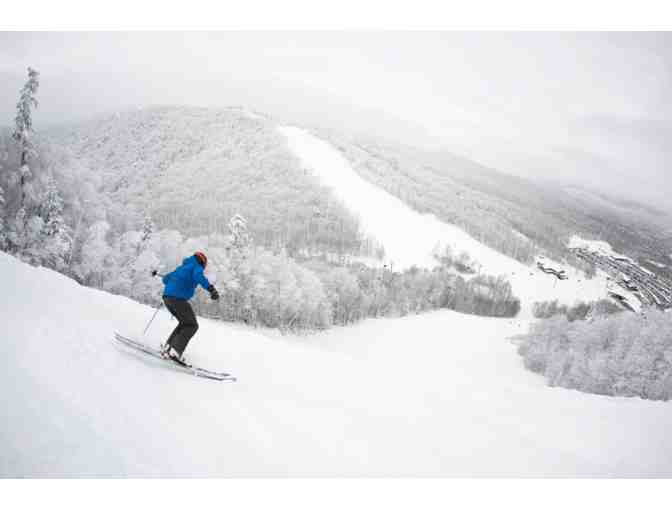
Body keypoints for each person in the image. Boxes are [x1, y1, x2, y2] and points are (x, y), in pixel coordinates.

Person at [153, 251, 219, 364]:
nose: (203, 268)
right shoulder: (196, 267)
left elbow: (166, 279)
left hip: (167, 297)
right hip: (177, 298)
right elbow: (198, 276)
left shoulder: (182, 267)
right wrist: (211, 288)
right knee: (192, 325)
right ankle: (175, 350)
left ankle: (168, 348)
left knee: (184, 324)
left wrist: (174, 279)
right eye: (204, 265)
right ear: (202, 262)